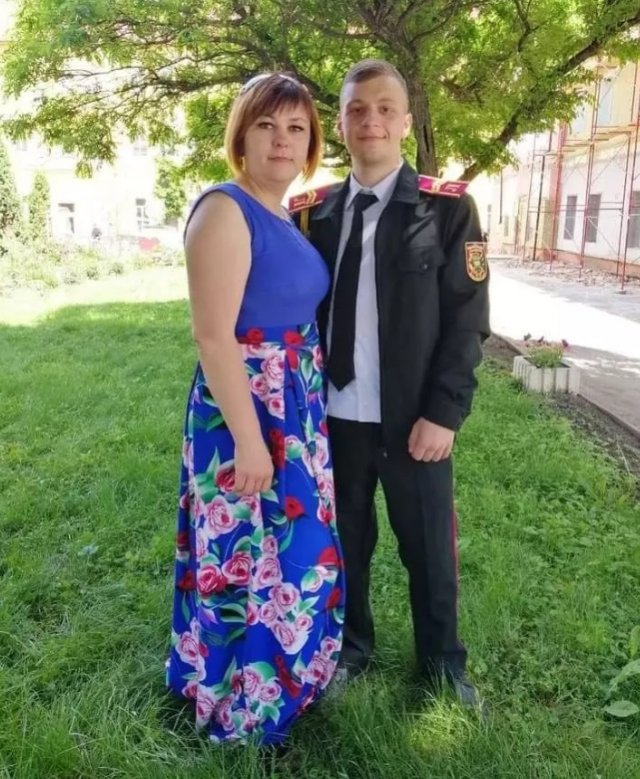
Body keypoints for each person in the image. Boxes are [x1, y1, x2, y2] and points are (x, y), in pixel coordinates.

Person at [290, 59, 490, 707]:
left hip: (414, 420)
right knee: (344, 543)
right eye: (356, 109)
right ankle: (350, 648)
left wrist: (445, 411)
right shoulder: (310, 215)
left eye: (384, 108)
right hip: (334, 418)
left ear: (405, 121)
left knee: (428, 546)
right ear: (341, 124)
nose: (370, 120)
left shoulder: (447, 208)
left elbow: (468, 319)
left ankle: (442, 663)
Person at [166, 73, 344, 745]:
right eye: (267, 125)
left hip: (293, 408)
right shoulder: (225, 210)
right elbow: (213, 335)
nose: (282, 140)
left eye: (296, 128)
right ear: (241, 134)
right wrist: (248, 440)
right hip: (247, 412)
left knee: (289, 553)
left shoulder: (282, 214)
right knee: (246, 557)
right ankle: (240, 704)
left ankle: (284, 683)